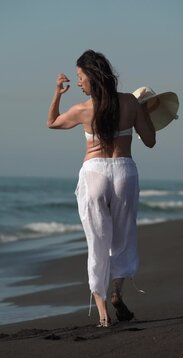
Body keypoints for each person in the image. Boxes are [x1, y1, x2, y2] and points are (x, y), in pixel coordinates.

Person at [47, 49, 156, 327]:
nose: (79, 83)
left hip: (94, 172)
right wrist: (143, 110)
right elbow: (150, 140)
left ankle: (104, 314)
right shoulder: (131, 102)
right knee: (124, 238)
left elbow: (52, 123)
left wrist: (58, 93)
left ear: (93, 78)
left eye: (80, 78)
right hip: (123, 171)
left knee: (97, 242)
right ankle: (117, 292)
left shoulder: (84, 109)